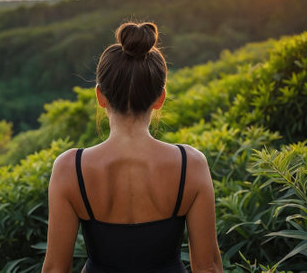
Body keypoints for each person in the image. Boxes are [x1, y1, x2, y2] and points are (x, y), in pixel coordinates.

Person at [41, 22, 222, 273]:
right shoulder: (191, 164)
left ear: (100, 96)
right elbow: (208, 267)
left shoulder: (69, 169)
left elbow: (55, 270)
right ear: (160, 98)